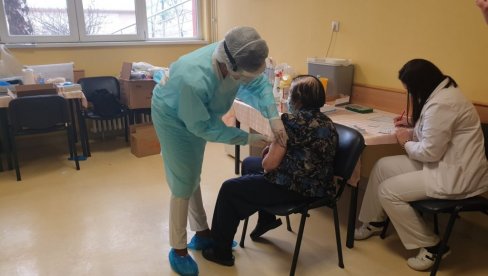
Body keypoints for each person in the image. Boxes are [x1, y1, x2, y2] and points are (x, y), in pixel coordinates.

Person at [151, 26, 288, 276]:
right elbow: (205, 128)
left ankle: (202, 233)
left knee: (192, 174)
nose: (247, 81)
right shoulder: (192, 78)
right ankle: (178, 248)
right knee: (182, 182)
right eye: (243, 77)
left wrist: (273, 118)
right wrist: (248, 137)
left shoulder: (236, 53)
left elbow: (259, 85)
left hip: (199, 115)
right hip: (173, 117)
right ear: (231, 67)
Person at [354, 59, 488, 271]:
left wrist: (405, 140)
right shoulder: (441, 94)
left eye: (411, 91)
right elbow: (434, 132)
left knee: (388, 191)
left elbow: (429, 152)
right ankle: (374, 221)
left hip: (457, 176)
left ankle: (433, 247)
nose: (411, 95)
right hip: (443, 164)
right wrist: (412, 125)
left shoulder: (443, 103)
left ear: (422, 86)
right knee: (382, 167)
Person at [201, 75, 338, 266]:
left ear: (297, 100)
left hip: (295, 188)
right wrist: (274, 149)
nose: (288, 99)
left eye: (290, 95)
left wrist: (271, 149)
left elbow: (269, 165)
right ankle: (267, 219)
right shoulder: (328, 123)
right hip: (320, 184)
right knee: (249, 163)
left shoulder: (290, 122)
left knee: (229, 189)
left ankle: (220, 251)